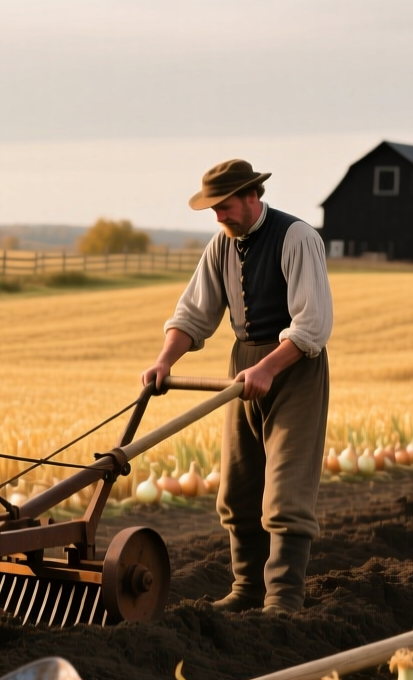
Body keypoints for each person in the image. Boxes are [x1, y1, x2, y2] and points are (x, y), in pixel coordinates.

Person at [139, 158, 333, 614]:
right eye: (214, 210)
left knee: (286, 489)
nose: (218, 217)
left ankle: (283, 599)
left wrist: (268, 367)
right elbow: (193, 314)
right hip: (243, 365)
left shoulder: (297, 237)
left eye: (224, 207)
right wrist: (165, 361)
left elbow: (313, 325)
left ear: (252, 196)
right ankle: (247, 588)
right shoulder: (221, 246)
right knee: (239, 487)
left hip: (294, 367)